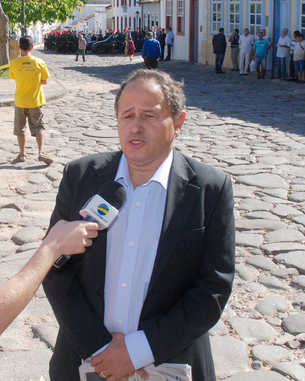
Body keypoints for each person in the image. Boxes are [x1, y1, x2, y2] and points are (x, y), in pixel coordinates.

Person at [43, 69, 235, 381]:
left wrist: (137, 351)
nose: (136, 126)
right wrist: (102, 352)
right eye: (127, 115)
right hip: (83, 358)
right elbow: (54, 268)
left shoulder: (210, 189)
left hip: (171, 361)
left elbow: (213, 288)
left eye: (149, 115)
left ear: (179, 122)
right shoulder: (81, 177)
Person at [9, 35, 53, 165]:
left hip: (20, 100)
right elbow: (44, 81)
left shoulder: (13, 63)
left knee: (20, 127)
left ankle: (22, 154)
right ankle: (41, 152)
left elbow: (15, 78)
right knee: (39, 126)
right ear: (32, 47)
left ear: (19, 47)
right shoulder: (39, 62)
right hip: (35, 100)